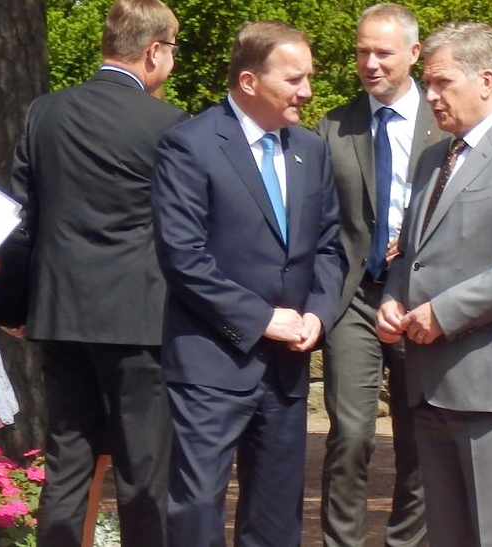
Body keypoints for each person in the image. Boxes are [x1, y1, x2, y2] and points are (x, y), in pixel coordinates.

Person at [152, 20, 345, 547]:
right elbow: (182, 256)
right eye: (294, 79)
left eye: (308, 77)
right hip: (212, 363)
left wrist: (319, 313)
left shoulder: (311, 149)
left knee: (277, 516)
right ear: (249, 82)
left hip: (286, 369)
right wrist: (261, 319)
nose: (306, 91)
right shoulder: (189, 145)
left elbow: (329, 247)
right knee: (196, 511)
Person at [376, 22, 492, 547]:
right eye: (428, 84)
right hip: (429, 385)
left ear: (485, 80)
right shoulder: (432, 159)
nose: (429, 96)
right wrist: (394, 297)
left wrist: (444, 312)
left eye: (442, 83)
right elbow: (410, 255)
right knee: (449, 536)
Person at [9, 1, 187, 545]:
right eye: (174, 48)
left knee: (68, 461)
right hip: (139, 321)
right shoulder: (169, 125)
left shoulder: (46, 112)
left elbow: (22, 221)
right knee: (144, 471)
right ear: (154, 50)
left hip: (61, 316)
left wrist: (12, 306)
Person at [316, 5, 444, 546]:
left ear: (414, 54)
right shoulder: (333, 126)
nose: (370, 63)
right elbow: (319, 222)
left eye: (383, 52)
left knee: (420, 441)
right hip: (355, 299)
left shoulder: (447, 124)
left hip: (424, 301)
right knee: (349, 436)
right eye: (362, 51)